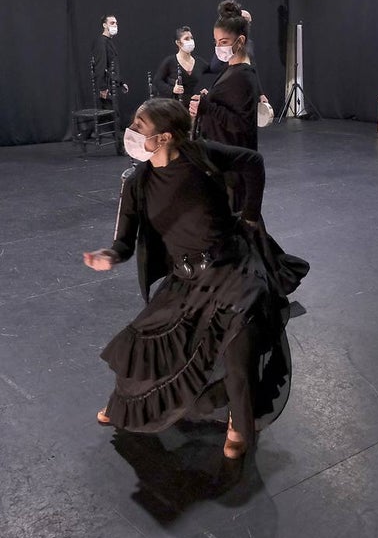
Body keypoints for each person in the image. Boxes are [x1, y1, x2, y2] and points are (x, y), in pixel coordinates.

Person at [82, 98, 308, 459]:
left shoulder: (200, 157)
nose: (132, 133)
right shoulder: (137, 183)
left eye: (140, 128)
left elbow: (252, 161)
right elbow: (124, 242)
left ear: (166, 137)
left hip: (233, 266)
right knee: (143, 341)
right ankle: (124, 406)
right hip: (186, 278)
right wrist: (109, 256)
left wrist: (250, 214)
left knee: (238, 338)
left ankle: (240, 421)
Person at [189, 0, 262, 150]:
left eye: (223, 42)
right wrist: (209, 97)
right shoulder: (230, 68)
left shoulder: (243, 75)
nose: (218, 48)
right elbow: (228, 102)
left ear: (240, 41)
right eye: (216, 42)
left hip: (230, 159)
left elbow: (241, 124)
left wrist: (207, 106)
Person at [153, 26, 209, 110]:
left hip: (193, 107)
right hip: (175, 106)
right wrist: (172, 89)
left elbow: (214, 71)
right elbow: (157, 81)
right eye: (186, 39)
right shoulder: (170, 61)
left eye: (191, 38)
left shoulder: (199, 62)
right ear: (178, 43)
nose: (190, 41)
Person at [92, 15, 128, 110]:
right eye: (112, 23)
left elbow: (112, 65)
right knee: (110, 116)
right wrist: (103, 88)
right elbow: (100, 65)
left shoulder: (109, 42)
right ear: (105, 25)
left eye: (116, 23)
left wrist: (120, 82)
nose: (115, 25)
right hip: (107, 87)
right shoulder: (101, 42)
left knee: (115, 114)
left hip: (112, 84)